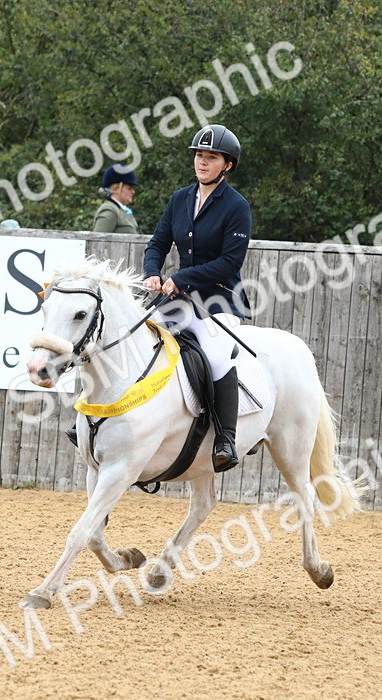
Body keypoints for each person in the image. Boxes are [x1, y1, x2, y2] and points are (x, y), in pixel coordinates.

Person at [141, 124, 251, 472]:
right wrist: (152, 271)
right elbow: (158, 242)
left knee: (217, 355)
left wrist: (181, 277)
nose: (203, 162)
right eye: (199, 156)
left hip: (218, 299)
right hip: (178, 298)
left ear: (227, 164)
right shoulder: (180, 199)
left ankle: (225, 439)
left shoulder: (236, 206)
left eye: (211, 157)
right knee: (138, 339)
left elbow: (229, 262)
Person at [91, 164, 138, 233]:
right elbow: (98, 241)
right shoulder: (109, 210)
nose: (133, 192)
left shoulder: (122, 210)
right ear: (116, 188)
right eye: (129, 188)